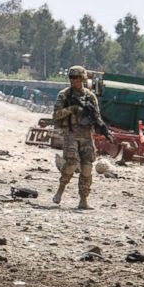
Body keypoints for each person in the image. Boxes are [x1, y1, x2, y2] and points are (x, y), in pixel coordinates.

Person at [51, 65, 108, 210]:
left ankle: (83, 200)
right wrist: (72, 109)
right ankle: (60, 190)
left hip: (87, 135)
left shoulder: (90, 96)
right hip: (71, 133)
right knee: (71, 162)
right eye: (71, 77)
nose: (73, 80)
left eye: (76, 77)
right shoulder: (64, 95)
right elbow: (56, 115)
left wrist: (102, 128)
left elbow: (97, 116)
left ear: (82, 78)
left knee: (87, 167)